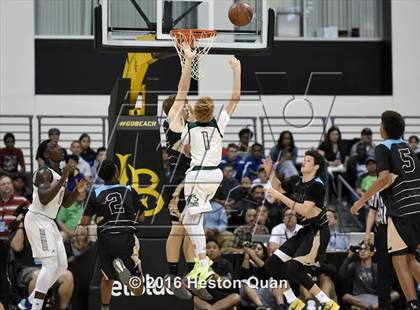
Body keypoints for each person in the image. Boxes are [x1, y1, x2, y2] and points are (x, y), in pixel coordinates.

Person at [180, 56, 241, 288]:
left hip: (197, 174)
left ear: (196, 112)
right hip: (215, 174)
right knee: (189, 218)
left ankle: (203, 262)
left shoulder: (190, 127)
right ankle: (201, 261)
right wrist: (237, 69)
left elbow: (186, 151)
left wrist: (188, 118)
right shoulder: (218, 124)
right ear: (212, 112)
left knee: (191, 218)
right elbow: (235, 98)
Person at [352, 110, 420, 309]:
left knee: (399, 261)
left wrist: (361, 200)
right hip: (417, 208)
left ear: (384, 128)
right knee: (409, 259)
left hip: (401, 210)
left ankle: (413, 305)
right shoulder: (408, 147)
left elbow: (382, 178)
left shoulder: (382, 147)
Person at [264, 151, 340, 309]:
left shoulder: (317, 185)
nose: (303, 162)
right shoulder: (296, 181)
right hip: (305, 231)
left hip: (318, 232)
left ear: (316, 166)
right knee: (273, 263)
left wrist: (279, 196)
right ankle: (293, 301)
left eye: (308, 160)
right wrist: (270, 171)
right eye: (304, 159)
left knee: (294, 268)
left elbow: (304, 210)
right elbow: (278, 187)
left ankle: (328, 303)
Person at [22, 139, 88, 310]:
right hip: (37, 218)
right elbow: (44, 199)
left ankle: (29, 302)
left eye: (58, 145)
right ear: (46, 154)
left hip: (48, 221)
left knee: (61, 266)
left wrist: (77, 191)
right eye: (54, 147)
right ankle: (34, 307)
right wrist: (65, 176)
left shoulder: (59, 173)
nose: (59, 148)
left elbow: (65, 202)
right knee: (50, 265)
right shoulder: (44, 172)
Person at [80, 159, 145, 310]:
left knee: (107, 278)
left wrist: (98, 217)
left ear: (101, 176)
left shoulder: (95, 193)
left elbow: (84, 222)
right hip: (126, 237)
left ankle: (104, 307)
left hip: (106, 240)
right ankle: (128, 279)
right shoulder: (129, 189)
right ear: (116, 172)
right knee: (138, 289)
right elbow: (141, 217)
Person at [160, 43, 196, 300]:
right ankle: (172, 275)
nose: (188, 105)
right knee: (178, 228)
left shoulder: (190, 123)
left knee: (188, 229)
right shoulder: (174, 116)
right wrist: (188, 60)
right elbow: (183, 89)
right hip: (177, 179)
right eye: (185, 104)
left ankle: (189, 275)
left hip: (191, 179)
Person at [9, 207, 74, 310]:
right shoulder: (21, 229)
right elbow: (16, 247)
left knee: (67, 276)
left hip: (49, 268)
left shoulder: (49, 228)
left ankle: (63, 308)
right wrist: (21, 224)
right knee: (39, 276)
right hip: (27, 268)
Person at [339, 242, 399, 309]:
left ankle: (372, 307)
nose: (362, 251)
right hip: (359, 299)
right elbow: (342, 275)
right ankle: (368, 307)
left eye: (365, 249)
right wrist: (349, 256)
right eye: (360, 249)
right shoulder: (354, 266)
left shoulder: (377, 267)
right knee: (346, 297)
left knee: (395, 294)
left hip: (375, 299)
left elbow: (387, 286)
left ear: (372, 253)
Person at [364, 192, 397, 310]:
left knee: (403, 266)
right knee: (383, 269)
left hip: (401, 228)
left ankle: (409, 302)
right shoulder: (378, 189)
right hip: (383, 229)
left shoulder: (404, 185)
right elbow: (372, 211)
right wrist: (367, 233)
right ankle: (384, 306)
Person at [193, 240, 241, 310]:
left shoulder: (226, 264)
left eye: (214, 248)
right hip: (204, 298)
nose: (211, 250)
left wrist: (210, 271)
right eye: (208, 248)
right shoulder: (198, 264)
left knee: (236, 297)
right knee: (192, 298)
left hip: (222, 298)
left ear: (219, 250)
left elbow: (224, 285)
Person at [240, 242, 288, 309]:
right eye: (253, 248)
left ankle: (281, 306)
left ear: (264, 253)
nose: (256, 250)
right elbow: (242, 276)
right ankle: (261, 307)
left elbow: (268, 272)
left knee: (273, 280)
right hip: (250, 295)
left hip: (265, 294)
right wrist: (247, 257)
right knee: (244, 281)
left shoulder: (268, 264)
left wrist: (255, 257)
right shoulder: (245, 262)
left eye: (259, 249)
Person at [0, 175, 30, 240]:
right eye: (3, 184)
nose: (6, 186)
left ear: (12, 185)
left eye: (8, 183)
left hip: (15, 242)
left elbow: (32, 217)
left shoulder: (22, 200)